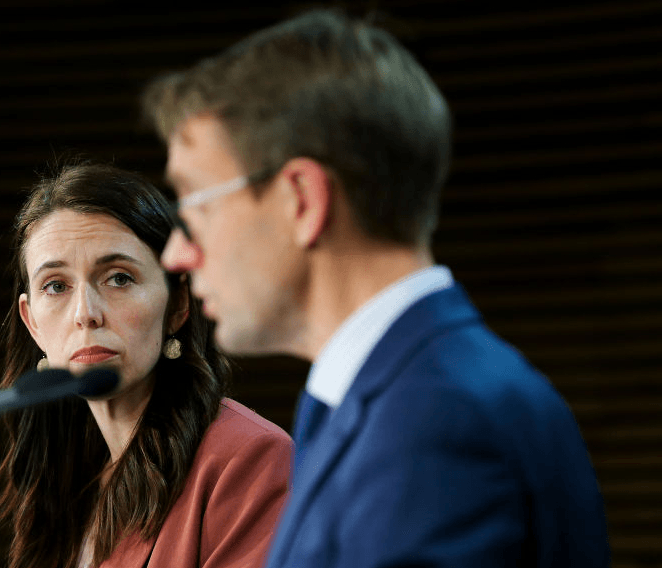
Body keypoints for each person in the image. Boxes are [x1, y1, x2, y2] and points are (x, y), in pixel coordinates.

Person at [142, 8, 609, 568]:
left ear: (302, 201)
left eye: (195, 205)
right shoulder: (396, 396)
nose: (177, 253)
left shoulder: (434, 427)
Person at [0, 162, 292, 568]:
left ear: (178, 304)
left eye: (119, 278)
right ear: (33, 324)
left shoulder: (247, 461)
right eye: (56, 286)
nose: (86, 313)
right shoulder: (64, 488)